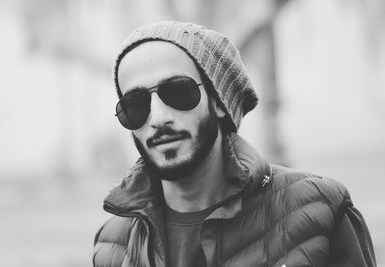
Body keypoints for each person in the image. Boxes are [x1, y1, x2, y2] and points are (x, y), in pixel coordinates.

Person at [93, 21, 376, 267]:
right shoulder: (112, 244)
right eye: (136, 104)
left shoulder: (319, 210)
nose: (158, 118)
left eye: (178, 91)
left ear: (218, 101)